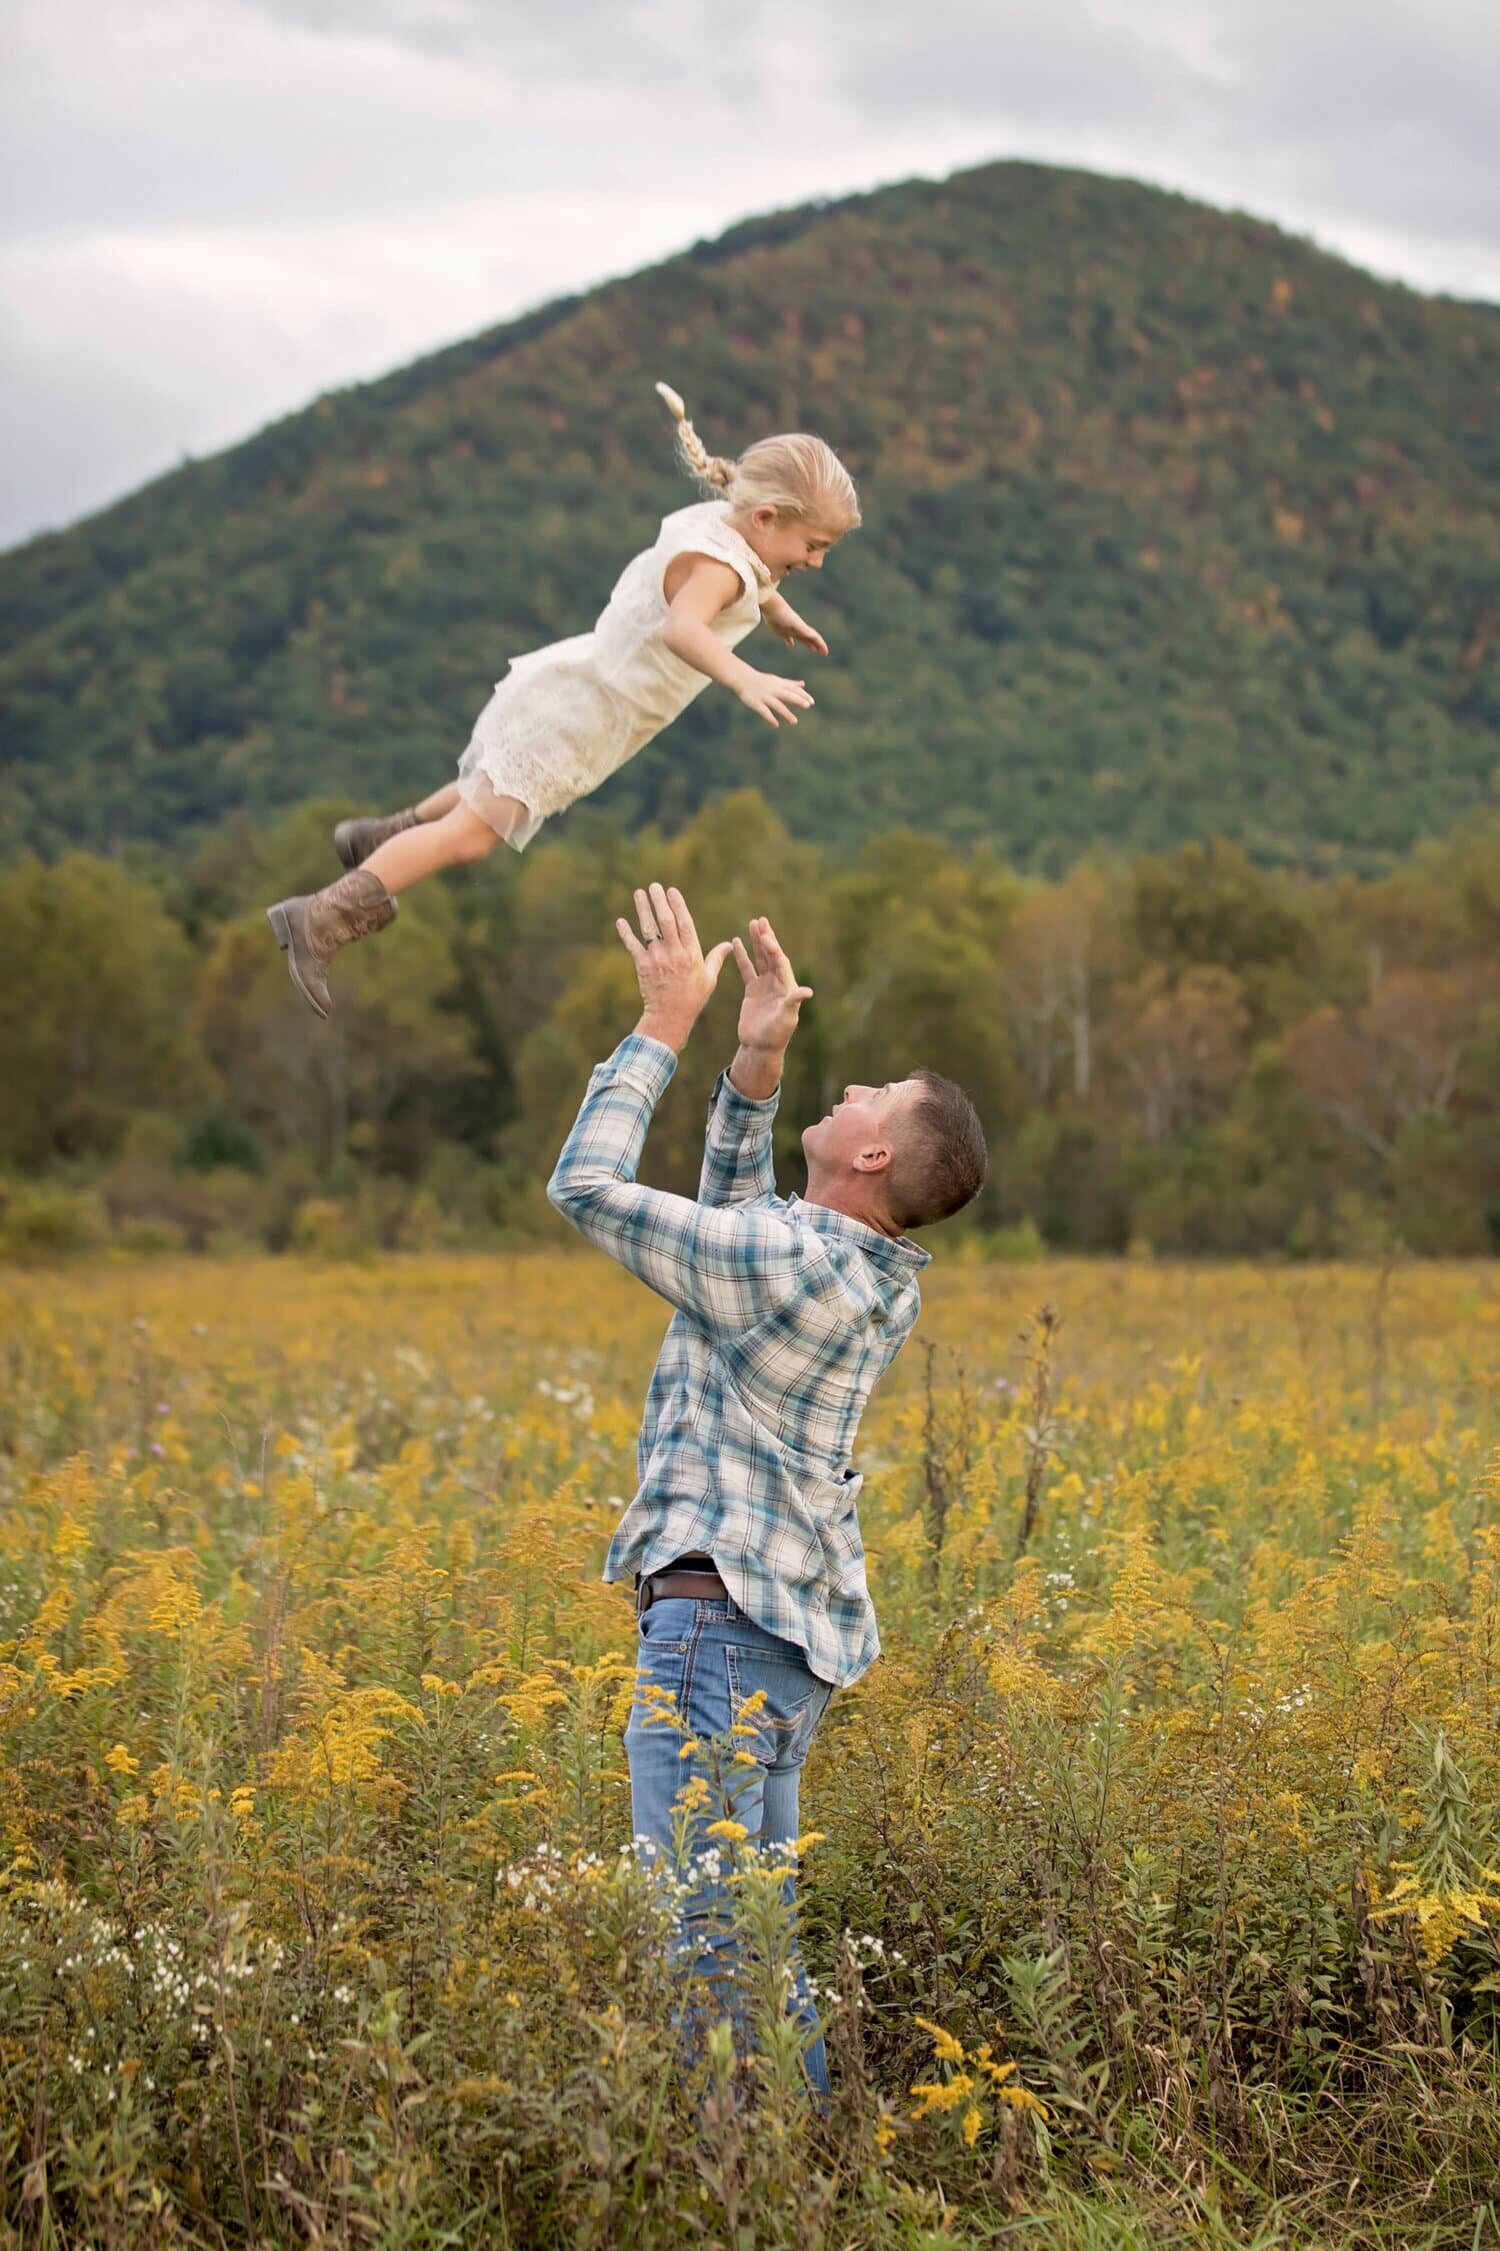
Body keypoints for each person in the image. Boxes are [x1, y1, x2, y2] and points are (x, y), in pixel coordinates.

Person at [546, 881, 988, 2097]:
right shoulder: (862, 1265)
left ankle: (733, 2192)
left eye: (865, 1096)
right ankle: (800, 2179)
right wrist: (750, 1067)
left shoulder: (788, 1260)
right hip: (778, 1651)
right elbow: (739, 1231)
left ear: (876, 1150)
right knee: (755, 1943)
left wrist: (661, 1027)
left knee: (704, 1951)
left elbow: (582, 1188)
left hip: (714, 1641)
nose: (843, 1091)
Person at [266, 387, 859, 1017]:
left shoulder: (723, 526)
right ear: (767, 517)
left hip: (573, 688)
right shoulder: (725, 569)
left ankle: (386, 835)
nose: (816, 562)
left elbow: (749, 578)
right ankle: (322, 916)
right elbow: (683, 628)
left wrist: (778, 610)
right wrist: (746, 678)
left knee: (484, 794)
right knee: (471, 836)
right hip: (581, 717)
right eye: (813, 546)